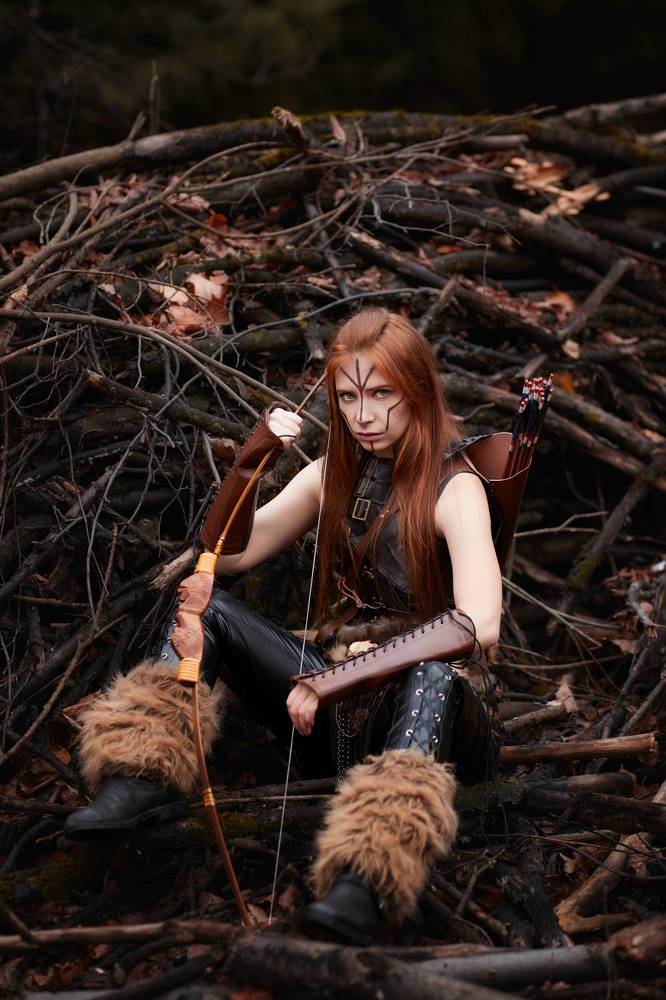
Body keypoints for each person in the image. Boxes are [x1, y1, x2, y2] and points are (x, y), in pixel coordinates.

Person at [64, 308, 503, 945]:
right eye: (348, 397)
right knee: (211, 606)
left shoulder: (454, 489)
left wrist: (330, 682)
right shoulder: (332, 475)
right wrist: (253, 458)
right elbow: (228, 554)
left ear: (418, 392)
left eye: (382, 394)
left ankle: (364, 879)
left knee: (431, 675)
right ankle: (142, 775)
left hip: (433, 719)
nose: (364, 415)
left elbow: (479, 624)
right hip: (337, 708)